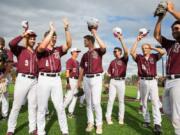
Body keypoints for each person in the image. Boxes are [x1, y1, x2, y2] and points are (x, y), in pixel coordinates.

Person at [36, 19, 71, 135]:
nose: (54, 38)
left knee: (60, 107)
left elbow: (69, 44)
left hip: (56, 79)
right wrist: (51, 30)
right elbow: (41, 47)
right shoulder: (40, 48)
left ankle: (65, 131)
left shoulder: (58, 50)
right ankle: (41, 131)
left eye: (55, 37)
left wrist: (66, 29)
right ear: (47, 37)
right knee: (41, 107)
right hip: (44, 78)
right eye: (52, 37)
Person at [130, 33, 165, 134]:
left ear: (149, 49)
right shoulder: (139, 58)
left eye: (146, 48)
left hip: (153, 81)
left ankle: (157, 124)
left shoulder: (154, 56)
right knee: (144, 102)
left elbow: (162, 52)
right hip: (143, 80)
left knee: (155, 102)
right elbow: (132, 52)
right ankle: (147, 120)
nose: (144, 49)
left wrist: (152, 47)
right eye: (143, 48)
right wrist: (137, 40)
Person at [6, 29, 38, 135]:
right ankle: (10, 129)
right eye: (31, 38)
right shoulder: (20, 50)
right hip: (22, 79)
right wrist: (22, 35)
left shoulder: (36, 53)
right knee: (17, 105)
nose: (33, 40)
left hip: (34, 80)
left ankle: (33, 128)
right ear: (27, 39)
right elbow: (11, 44)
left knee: (33, 106)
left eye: (34, 38)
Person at [154, 7, 180, 135]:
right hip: (169, 81)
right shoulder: (171, 44)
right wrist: (160, 18)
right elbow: (157, 36)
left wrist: (170, 10)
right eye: (173, 29)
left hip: (179, 81)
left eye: (177, 28)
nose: (174, 30)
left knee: (176, 116)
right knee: (167, 110)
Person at [77, 27, 106, 134]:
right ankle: (90, 122)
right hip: (86, 79)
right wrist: (79, 82)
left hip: (97, 78)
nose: (84, 42)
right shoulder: (84, 55)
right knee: (88, 103)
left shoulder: (98, 51)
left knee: (96, 103)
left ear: (90, 41)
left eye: (85, 40)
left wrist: (95, 34)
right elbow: (81, 69)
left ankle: (99, 125)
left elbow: (103, 46)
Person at [105, 32, 128, 125]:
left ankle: (121, 118)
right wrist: (106, 83)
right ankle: (108, 117)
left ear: (120, 52)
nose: (114, 52)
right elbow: (109, 74)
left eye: (116, 51)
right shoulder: (111, 62)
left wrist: (121, 39)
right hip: (113, 81)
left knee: (121, 101)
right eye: (113, 51)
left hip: (121, 81)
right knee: (111, 100)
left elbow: (126, 52)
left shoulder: (124, 59)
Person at [64, 48, 81, 118]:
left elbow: (79, 73)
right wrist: (68, 82)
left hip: (76, 80)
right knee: (69, 96)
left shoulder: (77, 62)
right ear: (72, 52)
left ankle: (70, 112)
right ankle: (61, 110)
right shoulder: (69, 61)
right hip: (71, 80)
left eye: (78, 52)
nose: (77, 53)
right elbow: (67, 72)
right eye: (76, 52)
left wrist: (79, 82)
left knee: (75, 97)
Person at [0, 37, 13, 120]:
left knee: (4, 96)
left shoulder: (7, 52)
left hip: (4, 76)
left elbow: (9, 66)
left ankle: (5, 114)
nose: (0, 46)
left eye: (1, 44)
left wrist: (3, 76)